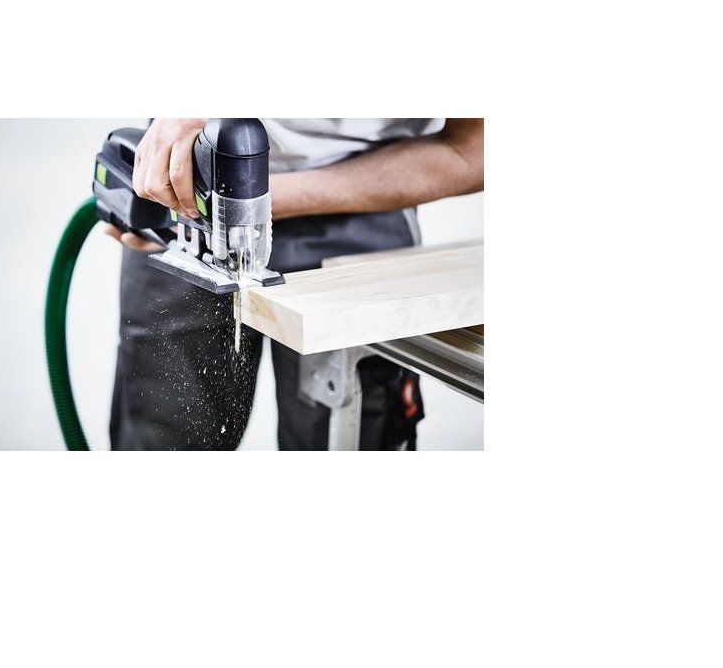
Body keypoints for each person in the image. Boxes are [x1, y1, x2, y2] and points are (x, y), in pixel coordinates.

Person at [104, 118, 484, 450]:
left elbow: (474, 152)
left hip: (369, 192)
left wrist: (251, 201)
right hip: (186, 178)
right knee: (159, 438)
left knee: (347, 437)